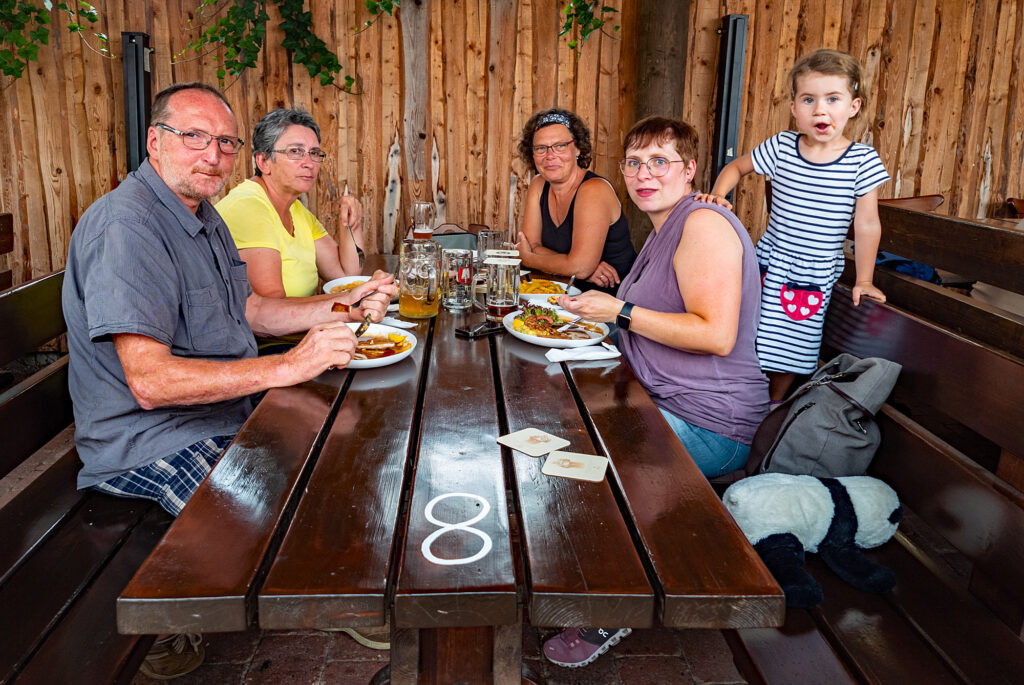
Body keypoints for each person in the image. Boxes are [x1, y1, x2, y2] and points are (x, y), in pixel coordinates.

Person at [61, 82, 395, 678]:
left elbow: (251, 311)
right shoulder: (127, 227)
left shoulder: (202, 216)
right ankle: (194, 610)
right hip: (150, 438)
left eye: (224, 142)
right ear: (154, 141)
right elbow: (149, 382)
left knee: (345, 444)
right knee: (273, 511)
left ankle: (324, 573)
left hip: (221, 410)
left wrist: (344, 306)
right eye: (194, 137)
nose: (212, 155)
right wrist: (289, 366)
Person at [541, 116, 770, 669]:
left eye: (660, 161)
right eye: (635, 162)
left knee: (590, 465)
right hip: (658, 397)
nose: (645, 174)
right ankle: (584, 565)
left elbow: (715, 334)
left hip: (710, 419)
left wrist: (618, 310)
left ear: (690, 169)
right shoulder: (665, 225)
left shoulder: (704, 225)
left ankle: (616, 601)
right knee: (551, 428)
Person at [703, 48, 889, 401]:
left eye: (833, 98)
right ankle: (740, 396)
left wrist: (864, 279)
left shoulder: (861, 160)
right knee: (748, 330)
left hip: (814, 273)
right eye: (809, 99)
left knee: (793, 345)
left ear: (854, 106)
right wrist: (718, 196)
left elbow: (867, 224)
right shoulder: (782, 147)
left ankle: (774, 404)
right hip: (769, 261)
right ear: (794, 109)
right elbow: (736, 168)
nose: (820, 109)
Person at [217, 108, 364, 297]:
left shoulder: (296, 209)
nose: (309, 163)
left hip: (303, 326)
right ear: (263, 161)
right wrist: (342, 307)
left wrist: (351, 221)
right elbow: (270, 311)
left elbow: (346, 276)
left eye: (314, 152)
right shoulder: (248, 207)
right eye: (295, 151)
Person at [514, 108, 636, 294]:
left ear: (578, 148)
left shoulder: (594, 190)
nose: (550, 155)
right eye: (541, 148)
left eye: (560, 145)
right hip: (564, 295)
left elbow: (576, 265)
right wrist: (578, 268)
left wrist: (528, 258)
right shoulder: (538, 185)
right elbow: (532, 245)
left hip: (612, 305)